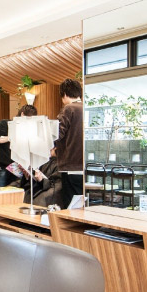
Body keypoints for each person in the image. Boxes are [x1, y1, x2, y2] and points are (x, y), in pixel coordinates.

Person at [51, 79, 84, 208]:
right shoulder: (85, 108)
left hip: (70, 165)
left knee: (70, 205)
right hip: (84, 166)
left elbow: (57, 133)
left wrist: (52, 149)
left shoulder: (69, 108)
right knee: (81, 204)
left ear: (64, 94)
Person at [0, 104, 37, 187]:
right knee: (0, 190)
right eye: (29, 119)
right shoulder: (4, 124)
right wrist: (13, 136)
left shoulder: (27, 129)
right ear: (22, 114)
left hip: (18, 167)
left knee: (16, 191)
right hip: (3, 166)